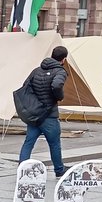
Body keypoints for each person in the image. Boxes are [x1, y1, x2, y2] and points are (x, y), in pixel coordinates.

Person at [17, 46, 68, 177]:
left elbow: (25, 86)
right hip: (49, 114)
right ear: (63, 59)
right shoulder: (60, 72)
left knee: (29, 142)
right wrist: (59, 96)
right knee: (54, 143)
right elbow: (56, 85)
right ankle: (59, 169)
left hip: (34, 114)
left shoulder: (36, 70)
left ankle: (22, 168)